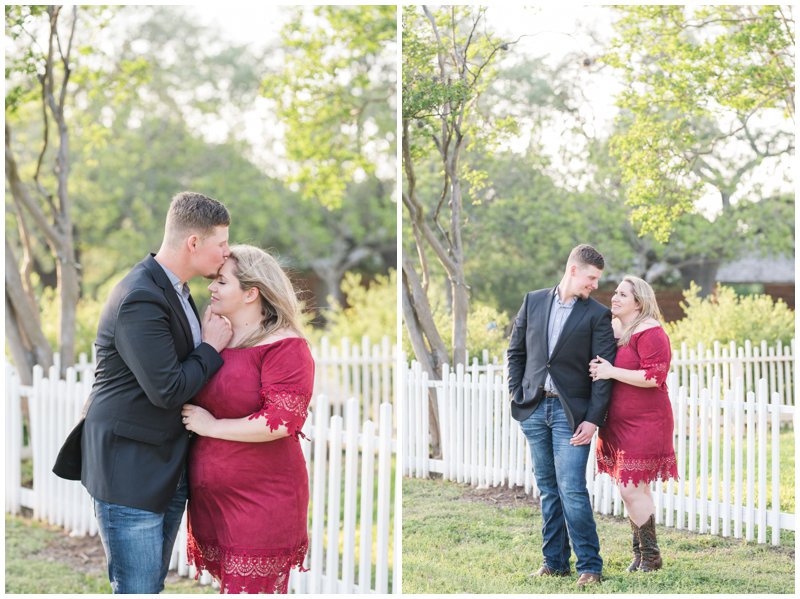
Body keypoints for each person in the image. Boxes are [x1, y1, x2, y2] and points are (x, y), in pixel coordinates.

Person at [75, 191, 233, 593]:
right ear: (193, 243)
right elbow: (168, 388)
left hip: (165, 463)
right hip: (130, 468)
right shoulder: (141, 297)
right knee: (138, 588)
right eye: (222, 244)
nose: (226, 254)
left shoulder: (178, 290)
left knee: (151, 585)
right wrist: (210, 348)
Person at [181, 244, 314, 594]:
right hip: (211, 498)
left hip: (262, 497)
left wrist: (212, 427)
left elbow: (282, 421)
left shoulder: (285, 346)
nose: (210, 288)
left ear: (251, 292)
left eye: (221, 282)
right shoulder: (216, 339)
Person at [506, 244, 617, 587]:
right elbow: (516, 352)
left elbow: (601, 374)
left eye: (597, 279)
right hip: (535, 409)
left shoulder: (597, 316)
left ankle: (590, 566)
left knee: (571, 488)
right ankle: (554, 562)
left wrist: (593, 419)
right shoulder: (533, 300)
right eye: (591, 277)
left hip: (573, 416)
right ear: (573, 270)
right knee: (548, 488)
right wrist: (517, 395)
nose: (595, 285)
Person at [590, 275, 678, 573]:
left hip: (647, 421)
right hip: (617, 423)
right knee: (635, 489)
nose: (614, 298)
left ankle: (650, 556)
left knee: (630, 489)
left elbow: (654, 377)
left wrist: (611, 371)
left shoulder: (651, 332)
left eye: (622, 295)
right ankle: (642, 555)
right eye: (615, 293)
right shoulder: (618, 328)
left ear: (638, 302)